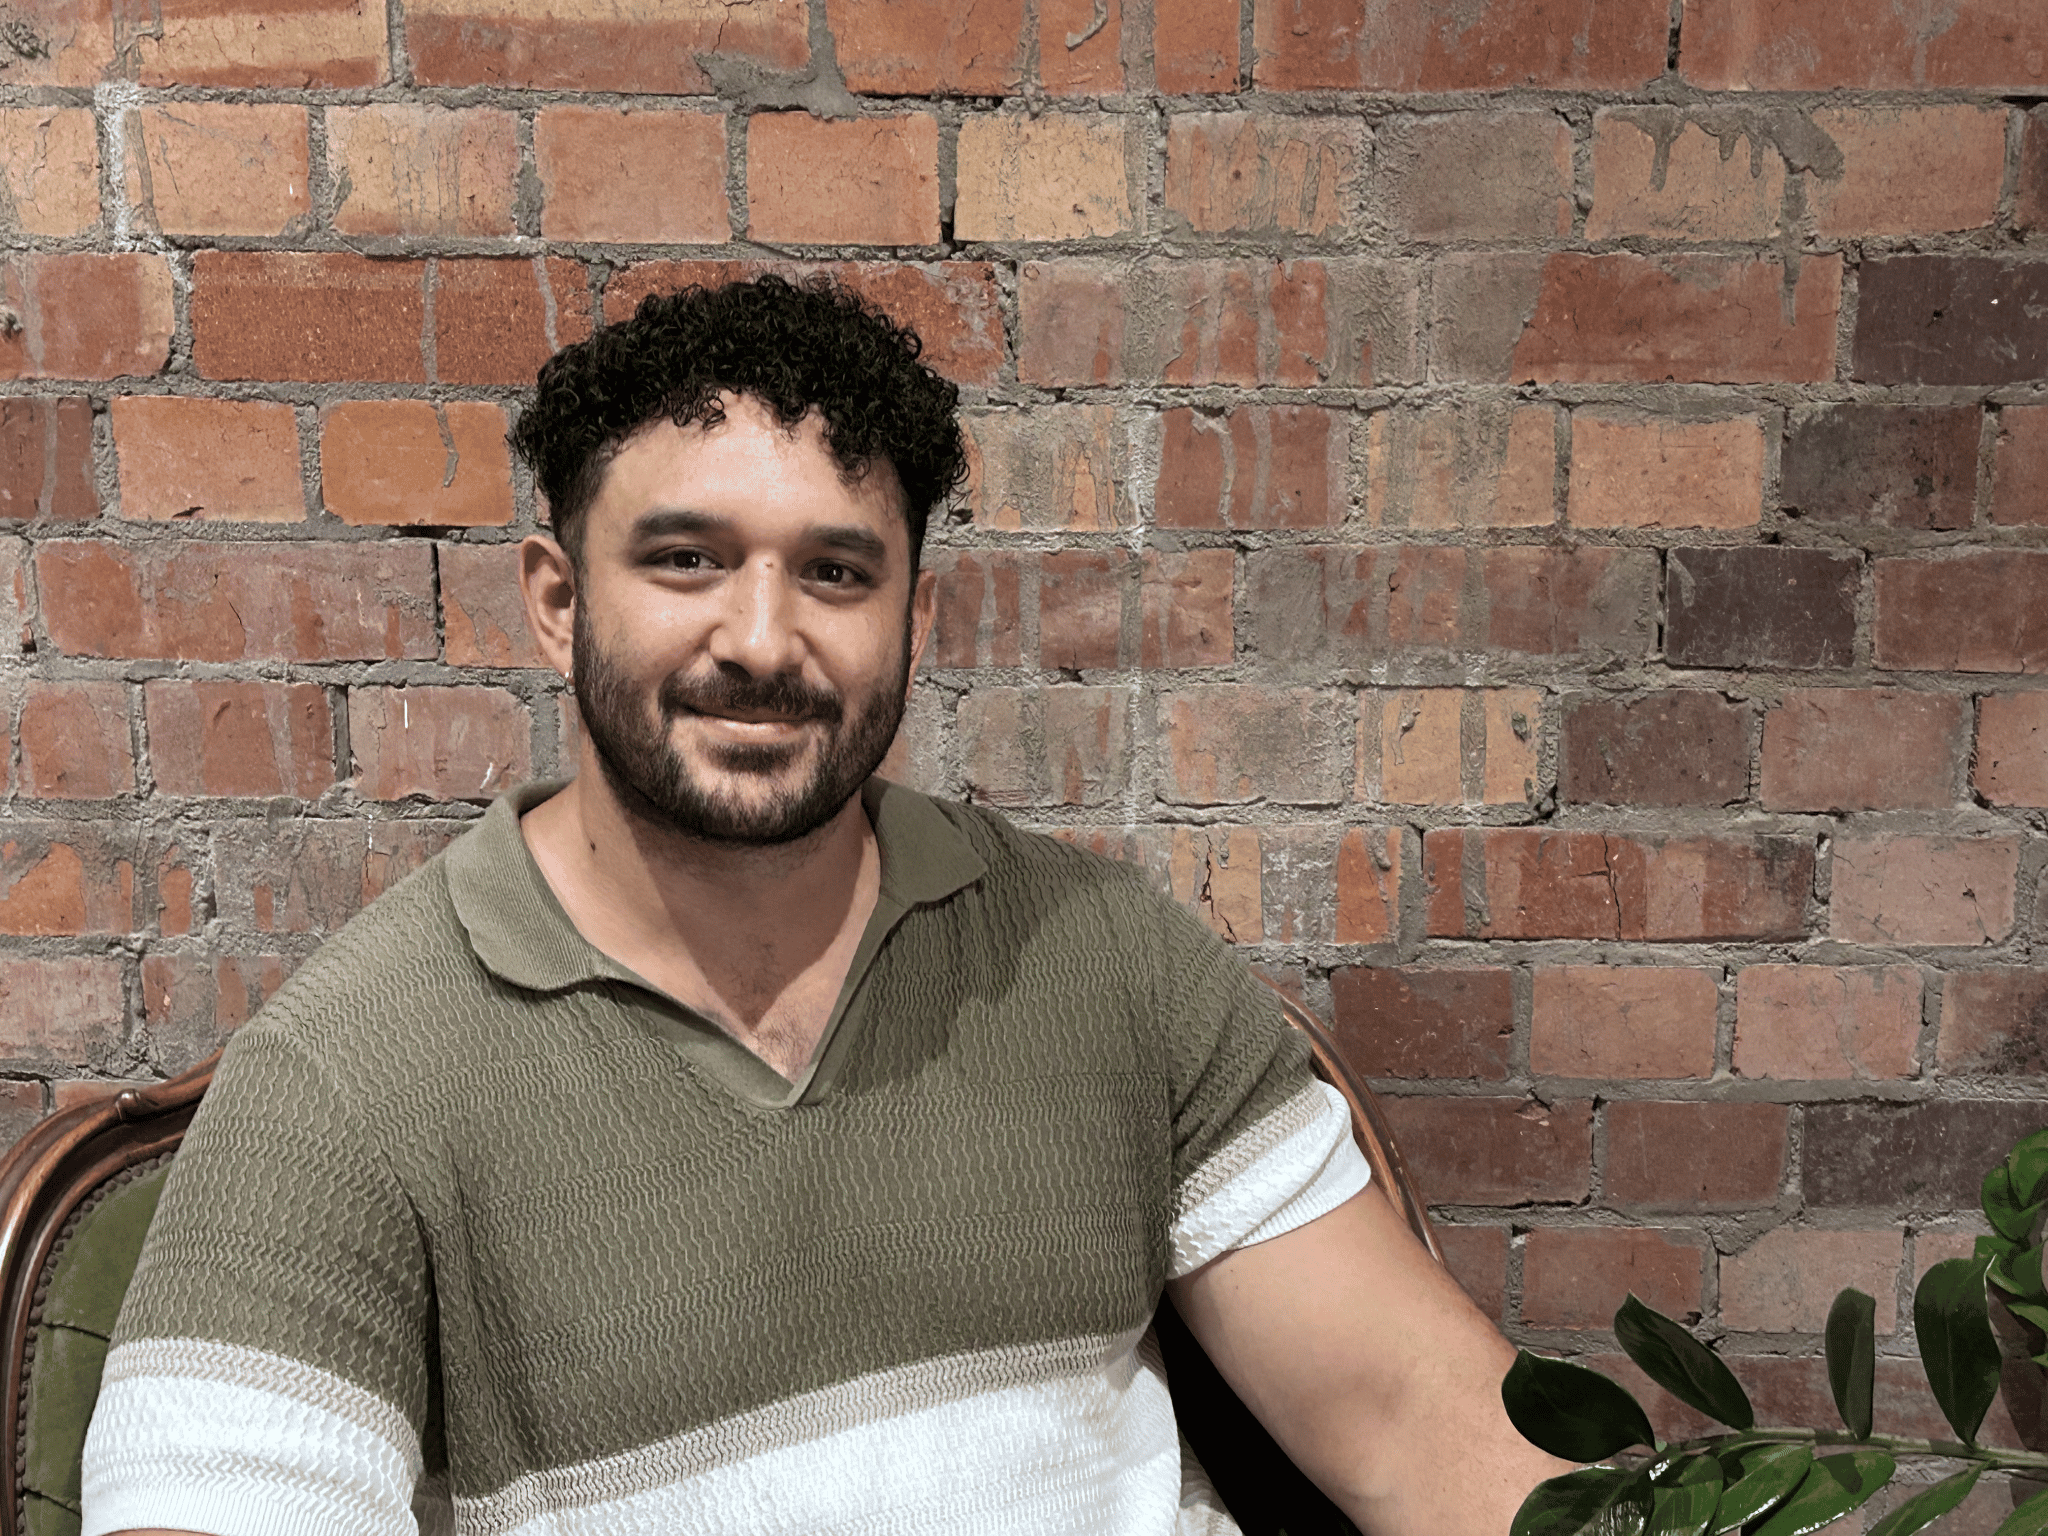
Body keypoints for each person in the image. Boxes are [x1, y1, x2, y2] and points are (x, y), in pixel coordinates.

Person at [80, 276, 1568, 1536]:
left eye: (836, 573)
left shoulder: (1107, 963)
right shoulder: (343, 1087)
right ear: (554, 598)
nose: (763, 639)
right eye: (686, 560)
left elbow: (1418, 1423)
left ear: (915, 616)